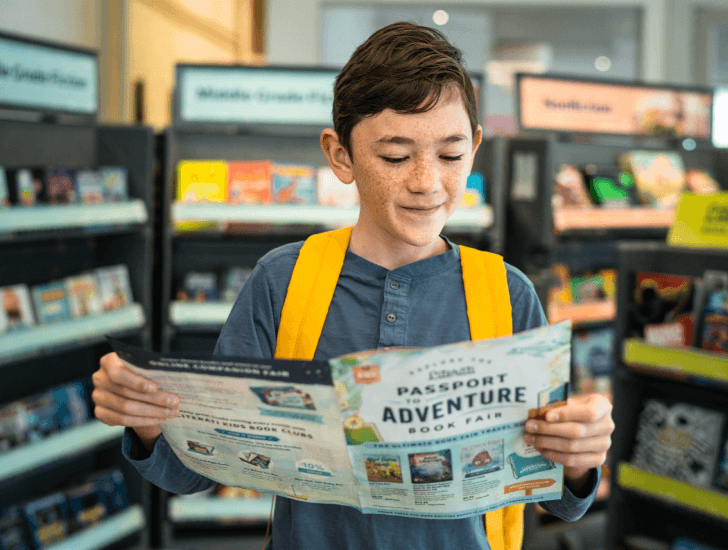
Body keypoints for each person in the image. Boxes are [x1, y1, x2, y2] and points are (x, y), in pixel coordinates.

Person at [91, 22, 614, 550]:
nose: (427, 181)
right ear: (341, 155)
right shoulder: (282, 280)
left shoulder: (509, 293)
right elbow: (198, 471)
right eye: (395, 156)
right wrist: (147, 422)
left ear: (475, 148)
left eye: (451, 155)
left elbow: (561, 499)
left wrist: (581, 455)